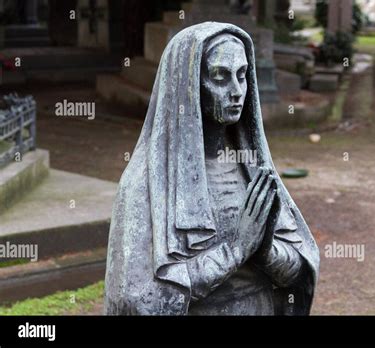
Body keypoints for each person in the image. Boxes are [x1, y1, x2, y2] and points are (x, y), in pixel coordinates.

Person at [105, 22, 319, 315]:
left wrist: (265, 251)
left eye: (242, 75)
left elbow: (298, 270)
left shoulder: (252, 169)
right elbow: (137, 299)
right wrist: (236, 251)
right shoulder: (144, 184)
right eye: (220, 76)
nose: (236, 91)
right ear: (188, 86)